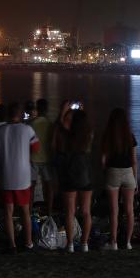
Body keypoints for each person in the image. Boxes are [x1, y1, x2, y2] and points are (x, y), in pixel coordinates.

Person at [0, 102, 40, 252]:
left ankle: (12, 244)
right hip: (23, 177)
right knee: (25, 211)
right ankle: (28, 242)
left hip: (5, 176)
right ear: (21, 114)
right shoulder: (28, 130)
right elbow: (36, 148)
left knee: (8, 212)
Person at [56, 107, 93, 252]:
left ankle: (70, 244)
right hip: (85, 174)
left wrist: (64, 110)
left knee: (70, 212)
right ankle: (84, 243)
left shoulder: (68, 136)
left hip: (69, 173)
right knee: (86, 211)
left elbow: (60, 125)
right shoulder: (89, 136)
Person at [101, 108, 138, 250]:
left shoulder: (107, 136)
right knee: (130, 210)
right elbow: (134, 160)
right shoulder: (130, 137)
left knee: (114, 211)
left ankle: (113, 242)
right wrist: (136, 180)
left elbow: (102, 161)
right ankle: (128, 242)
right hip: (128, 173)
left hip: (113, 173)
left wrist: (105, 172)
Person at [30, 99, 56, 215]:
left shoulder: (31, 124)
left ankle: (29, 210)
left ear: (37, 109)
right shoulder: (50, 125)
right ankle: (49, 210)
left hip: (33, 158)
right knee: (49, 186)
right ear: (46, 109)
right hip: (47, 159)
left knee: (31, 186)